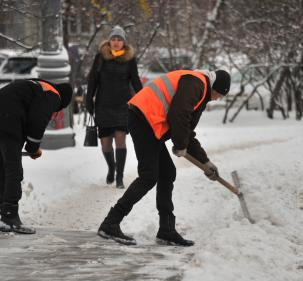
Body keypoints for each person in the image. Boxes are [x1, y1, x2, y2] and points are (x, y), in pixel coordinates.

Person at [97, 69, 231, 246]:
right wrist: (180, 145)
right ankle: (110, 223)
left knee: (167, 173)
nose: (217, 98)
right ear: (214, 86)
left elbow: (187, 131)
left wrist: (205, 162)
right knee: (149, 176)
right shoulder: (196, 83)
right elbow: (179, 113)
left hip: (149, 122)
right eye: (218, 94)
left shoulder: (200, 88)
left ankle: (166, 230)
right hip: (144, 119)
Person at [0, 79, 72, 234]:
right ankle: (10, 217)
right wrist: (33, 148)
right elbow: (38, 119)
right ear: (62, 100)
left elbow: (28, 112)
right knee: (13, 171)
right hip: (8, 121)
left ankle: (5, 214)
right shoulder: (53, 95)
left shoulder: (38, 85)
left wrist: (30, 146)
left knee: (3, 169)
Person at [86, 25, 143, 189]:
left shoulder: (129, 59)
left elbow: (135, 80)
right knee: (105, 143)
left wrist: (144, 98)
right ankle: (112, 167)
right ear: (109, 41)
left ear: (124, 43)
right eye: (114, 39)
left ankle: (120, 177)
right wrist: (89, 99)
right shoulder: (101, 57)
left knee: (120, 140)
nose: (116, 42)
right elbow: (92, 81)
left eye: (119, 40)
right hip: (103, 105)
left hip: (122, 105)